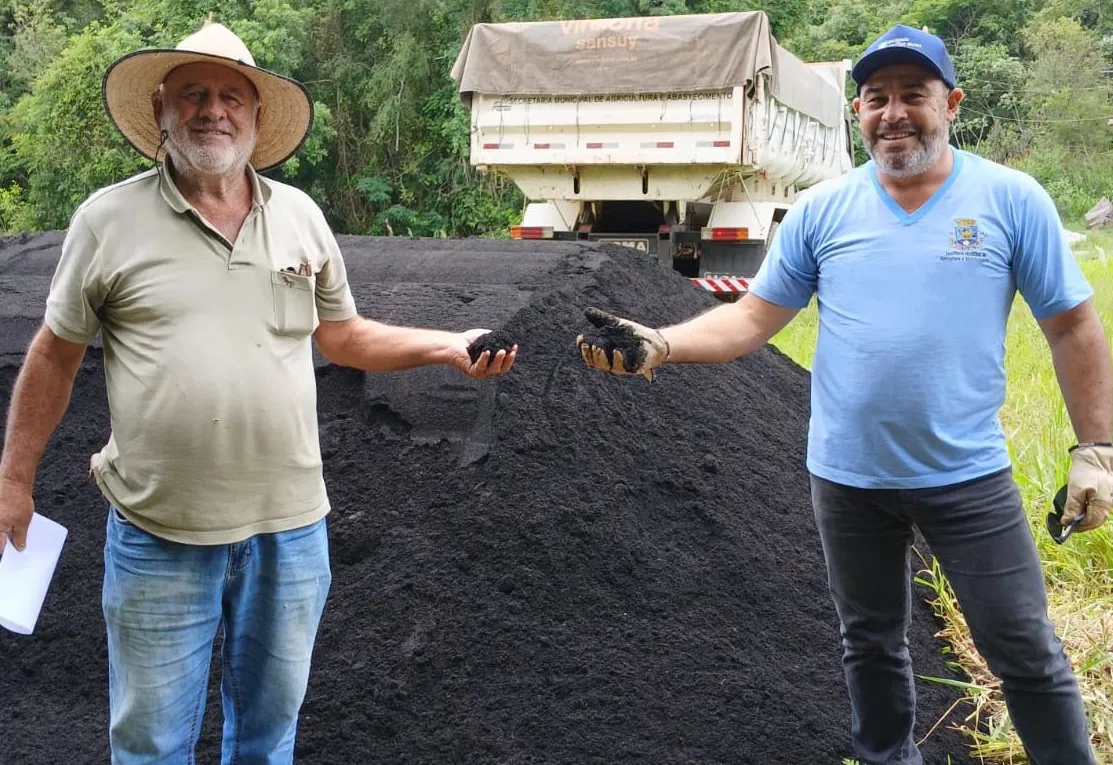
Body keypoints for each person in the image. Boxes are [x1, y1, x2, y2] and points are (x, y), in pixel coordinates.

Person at [575, 23, 1109, 765]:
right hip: (847, 478)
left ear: (950, 103)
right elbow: (751, 319)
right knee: (868, 641)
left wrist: (1096, 450)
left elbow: (1073, 329)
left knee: (1022, 644)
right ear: (856, 112)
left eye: (912, 96)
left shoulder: (1009, 199)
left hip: (966, 476)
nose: (893, 113)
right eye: (875, 98)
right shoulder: (823, 210)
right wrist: (662, 344)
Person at [0, 19, 517, 765]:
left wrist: (448, 346)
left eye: (231, 96)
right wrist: (14, 480)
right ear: (161, 112)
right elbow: (54, 356)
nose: (214, 110)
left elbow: (342, 336)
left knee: (269, 735)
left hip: (290, 531)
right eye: (193, 94)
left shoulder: (300, 216)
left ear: (254, 116)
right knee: (150, 742)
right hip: (159, 532)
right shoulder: (107, 221)